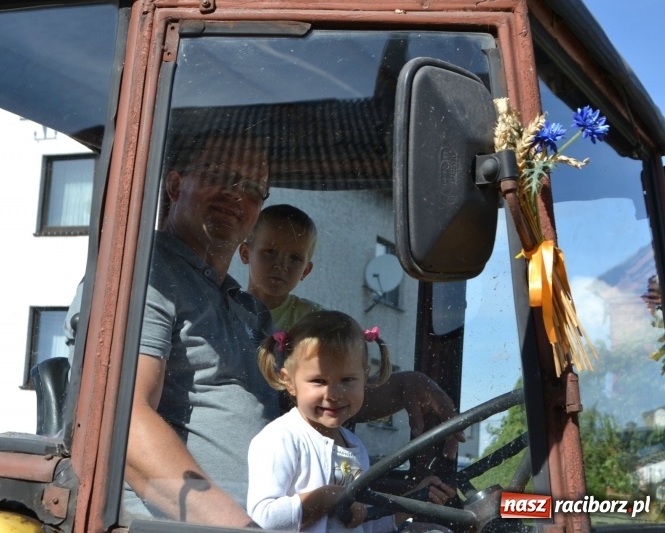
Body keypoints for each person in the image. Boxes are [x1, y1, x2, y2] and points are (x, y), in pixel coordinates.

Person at [123, 133, 462, 529]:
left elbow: (313, 399)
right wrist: (246, 529)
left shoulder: (245, 308)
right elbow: (126, 422)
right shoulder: (145, 276)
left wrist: (405, 387)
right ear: (176, 184)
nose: (236, 195)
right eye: (220, 175)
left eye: (252, 188)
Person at [248, 311, 455, 533]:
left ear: (365, 378)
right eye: (319, 381)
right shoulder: (280, 439)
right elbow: (263, 518)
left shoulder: (355, 447)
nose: (334, 393)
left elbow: (361, 524)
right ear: (289, 382)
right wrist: (330, 497)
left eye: (347, 379)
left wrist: (410, 505)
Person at [239, 204, 324, 330]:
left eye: (295, 258)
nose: (281, 265)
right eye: (270, 252)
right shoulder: (226, 307)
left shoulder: (313, 319)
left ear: (305, 271)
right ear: (245, 254)